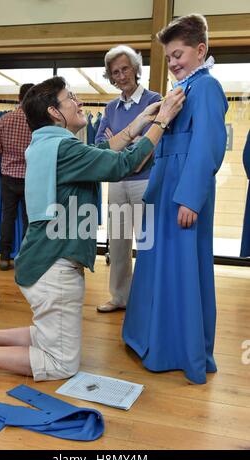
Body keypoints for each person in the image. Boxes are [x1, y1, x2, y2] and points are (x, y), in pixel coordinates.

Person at [0, 76, 184, 380]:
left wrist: (140, 120)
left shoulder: (48, 143)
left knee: (49, 335)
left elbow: (103, 153)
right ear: (54, 112)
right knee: (61, 362)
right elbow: (122, 165)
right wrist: (162, 122)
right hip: (54, 267)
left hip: (43, 260)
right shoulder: (64, 149)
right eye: (71, 97)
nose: (79, 102)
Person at [122, 14, 228, 385]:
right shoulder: (181, 89)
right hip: (162, 185)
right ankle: (151, 338)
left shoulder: (208, 88)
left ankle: (179, 349)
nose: (173, 63)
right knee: (156, 263)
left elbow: (209, 145)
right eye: (168, 57)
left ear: (201, 51)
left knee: (182, 269)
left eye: (178, 54)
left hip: (182, 190)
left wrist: (190, 199)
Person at [95, 45, 161, 313]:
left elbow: (153, 142)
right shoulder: (111, 107)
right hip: (118, 182)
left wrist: (120, 139)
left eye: (124, 69)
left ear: (136, 69)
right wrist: (132, 138)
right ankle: (119, 297)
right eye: (115, 72)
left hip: (146, 181)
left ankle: (148, 299)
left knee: (147, 242)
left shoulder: (154, 99)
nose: (121, 76)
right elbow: (100, 144)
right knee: (119, 242)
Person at [0, 83, 33, 270]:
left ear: (19, 97)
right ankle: (24, 258)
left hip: (8, 176)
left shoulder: (4, 119)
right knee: (28, 219)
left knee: (7, 217)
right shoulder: (37, 123)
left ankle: (4, 257)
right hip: (30, 177)